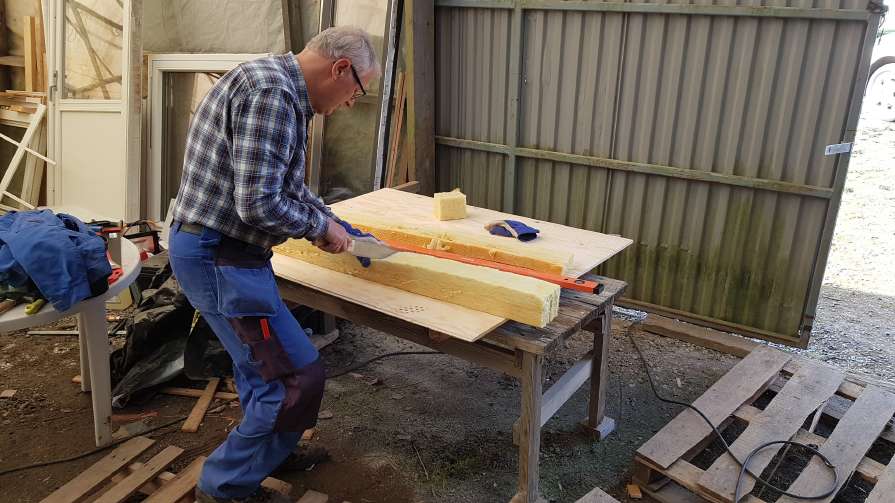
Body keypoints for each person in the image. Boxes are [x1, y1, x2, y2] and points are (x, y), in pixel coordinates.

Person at [167, 26, 380, 503]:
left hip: (227, 252)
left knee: (261, 369)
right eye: (356, 92)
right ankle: (223, 489)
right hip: (218, 256)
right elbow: (258, 203)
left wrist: (333, 221)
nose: (351, 103)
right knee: (292, 378)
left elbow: (288, 186)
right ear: (340, 69)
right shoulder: (272, 95)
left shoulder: (277, 85)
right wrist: (319, 229)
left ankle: (269, 454)